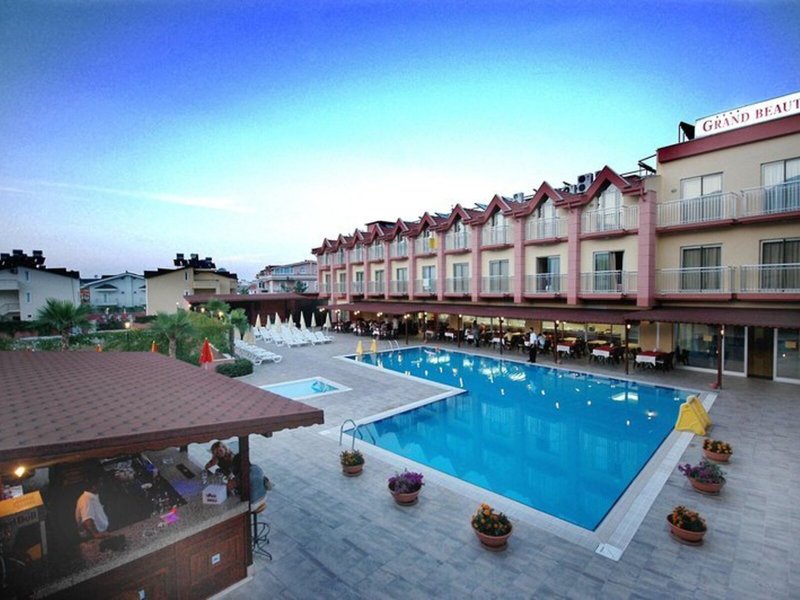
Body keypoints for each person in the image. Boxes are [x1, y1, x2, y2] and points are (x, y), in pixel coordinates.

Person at [205, 441, 272, 498]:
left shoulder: (234, 456)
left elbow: (240, 467)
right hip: (234, 473)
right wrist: (212, 461)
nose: (219, 453)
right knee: (219, 473)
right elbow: (206, 467)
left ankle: (264, 479)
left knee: (250, 473)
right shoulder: (218, 459)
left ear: (224, 448)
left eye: (220, 450)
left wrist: (232, 478)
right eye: (217, 453)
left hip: (243, 470)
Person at [75, 473, 113, 540]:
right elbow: (87, 520)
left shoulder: (93, 497)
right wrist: (96, 534)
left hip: (102, 533)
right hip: (93, 538)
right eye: (100, 482)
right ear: (93, 486)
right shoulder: (86, 499)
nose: (102, 484)